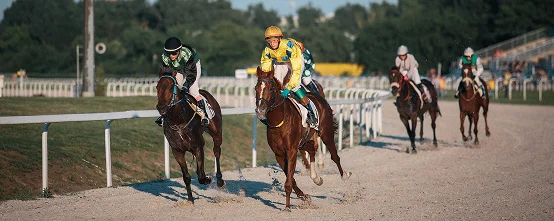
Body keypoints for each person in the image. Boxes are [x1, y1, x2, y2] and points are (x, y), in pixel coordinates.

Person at [260, 26, 317, 127]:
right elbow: (266, 70)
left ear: (279, 39)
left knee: (297, 84)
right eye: (269, 41)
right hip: (281, 61)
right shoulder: (267, 51)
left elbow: (296, 70)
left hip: (297, 59)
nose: (272, 43)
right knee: (275, 83)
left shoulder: (289, 47)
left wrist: (289, 87)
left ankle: (311, 111)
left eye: (274, 40)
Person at [155, 37, 209, 127]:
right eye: (169, 53)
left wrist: (185, 87)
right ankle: (165, 116)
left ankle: (204, 116)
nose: (171, 55)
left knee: (193, 91)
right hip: (178, 69)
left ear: (179, 50)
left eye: (174, 53)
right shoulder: (165, 57)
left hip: (192, 67)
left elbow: (191, 74)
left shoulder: (186, 54)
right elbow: (167, 73)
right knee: (174, 89)